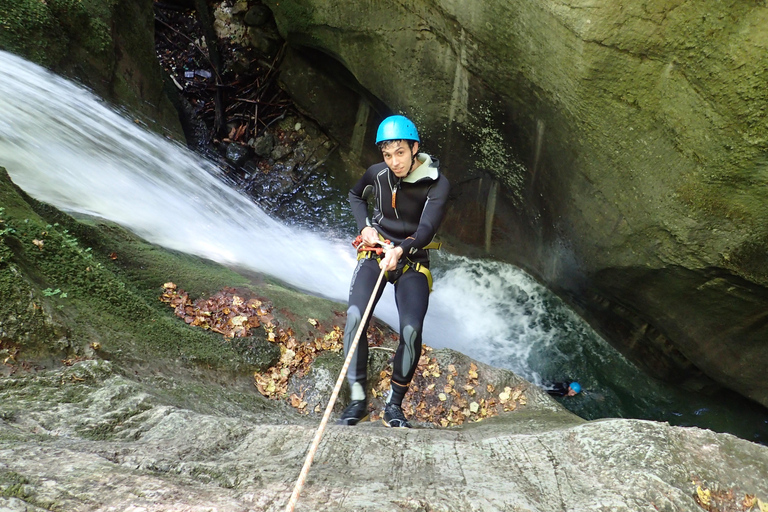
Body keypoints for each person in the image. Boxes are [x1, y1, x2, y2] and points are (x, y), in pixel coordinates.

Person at [336, 115, 450, 428]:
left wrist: (400, 251)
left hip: (412, 259)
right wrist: (365, 227)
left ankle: (394, 407)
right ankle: (357, 401)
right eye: (387, 155)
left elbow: (426, 229)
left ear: (415, 148)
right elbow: (355, 195)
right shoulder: (378, 174)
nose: (394, 162)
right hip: (376, 252)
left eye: (400, 152)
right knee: (355, 318)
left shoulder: (437, 183)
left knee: (411, 331)